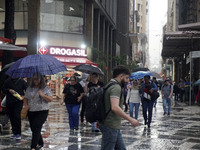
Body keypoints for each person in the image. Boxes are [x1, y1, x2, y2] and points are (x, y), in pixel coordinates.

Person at [99, 66, 138, 150]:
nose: (128, 81)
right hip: (110, 125)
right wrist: (130, 119)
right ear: (121, 76)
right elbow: (115, 107)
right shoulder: (116, 87)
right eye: (127, 78)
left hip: (113, 125)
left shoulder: (109, 84)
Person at [23, 72, 52, 150]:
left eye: (37, 79)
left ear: (41, 79)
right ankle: (40, 142)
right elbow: (25, 98)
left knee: (37, 127)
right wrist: (26, 105)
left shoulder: (45, 88)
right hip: (31, 110)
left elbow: (50, 99)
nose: (35, 81)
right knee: (34, 128)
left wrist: (42, 95)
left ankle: (33, 146)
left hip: (42, 111)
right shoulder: (29, 88)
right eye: (34, 79)